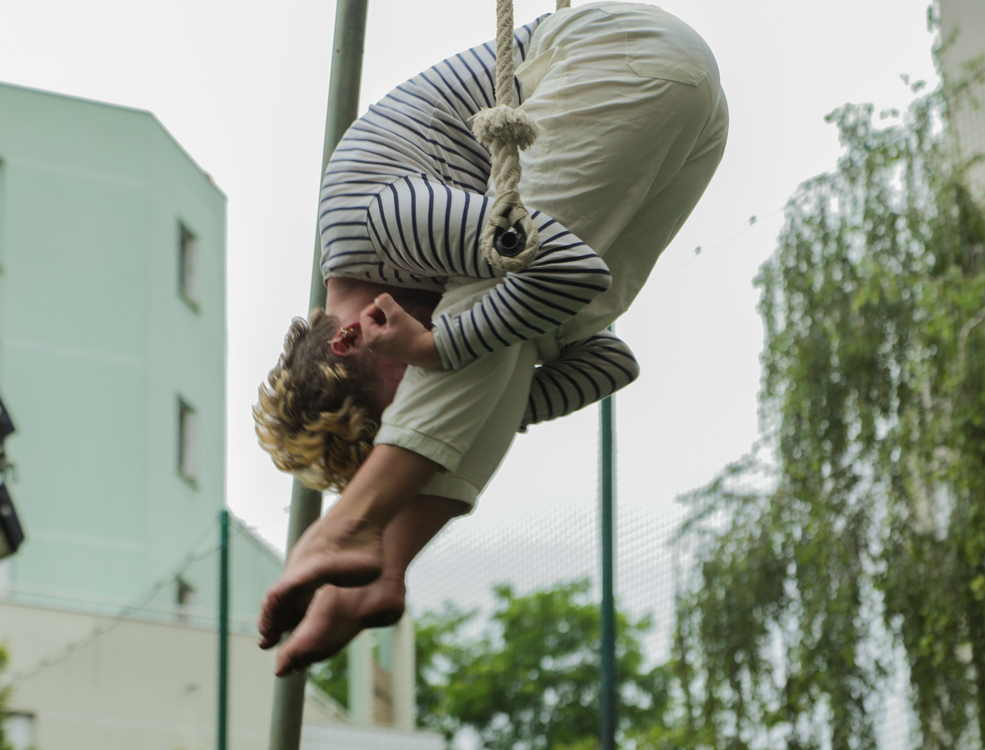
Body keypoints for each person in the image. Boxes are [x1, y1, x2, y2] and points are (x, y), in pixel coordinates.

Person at [253, 1, 729, 676]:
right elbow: (610, 362)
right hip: (688, 108)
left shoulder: (380, 221)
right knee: (505, 326)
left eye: (407, 395)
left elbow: (563, 267)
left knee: (493, 302)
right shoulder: (428, 274)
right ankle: (381, 561)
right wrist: (484, 392)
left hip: (620, 55)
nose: (427, 385)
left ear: (349, 340)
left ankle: (355, 526)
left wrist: (437, 351)